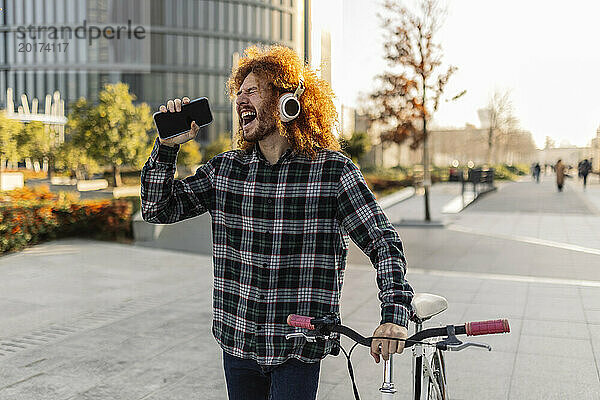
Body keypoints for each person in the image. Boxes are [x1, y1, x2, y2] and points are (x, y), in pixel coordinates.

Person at [140, 45, 414, 400]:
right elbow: (157, 209)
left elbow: (382, 242)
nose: (241, 100)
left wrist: (393, 314)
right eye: (238, 94)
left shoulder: (333, 172)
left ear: (288, 101)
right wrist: (167, 148)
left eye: (252, 90)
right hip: (237, 344)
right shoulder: (225, 171)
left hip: (297, 347)